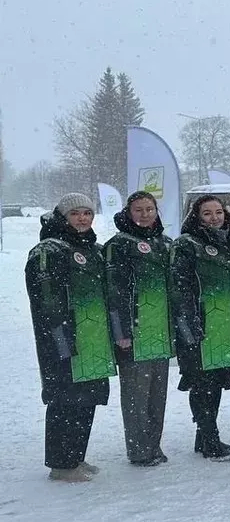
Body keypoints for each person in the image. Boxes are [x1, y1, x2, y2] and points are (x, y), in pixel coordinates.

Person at [26, 194, 117, 482]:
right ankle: (61, 464)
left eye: (87, 213)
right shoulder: (48, 250)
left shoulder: (94, 249)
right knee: (65, 400)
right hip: (63, 338)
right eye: (75, 213)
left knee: (86, 398)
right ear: (63, 217)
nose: (82, 219)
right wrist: (61, 334)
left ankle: (75, 456)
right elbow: (46, 299)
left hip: (93, 338)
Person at [170, 195, 230, 461]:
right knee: (201, 384)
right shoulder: (186, 244)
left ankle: (204, 438)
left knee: (215, 383)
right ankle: (209, 438)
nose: (214, 218)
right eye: (207, 214)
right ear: (196, 217)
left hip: (225, 325)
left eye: (218, 213)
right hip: (200, 325)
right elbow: (180, 288)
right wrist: (189, 323)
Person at [105, 191, 172, 467]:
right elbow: (113, 291)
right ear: (128, 213)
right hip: (134, 333)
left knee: (157, 396)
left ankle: (154, 445)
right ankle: (139, 450)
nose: (145, 214)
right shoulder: (118, 245)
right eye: (139, 210)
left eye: (150, 209)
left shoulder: (165, 243)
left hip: (161, 333)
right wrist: (121, 331)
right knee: (135, 397)